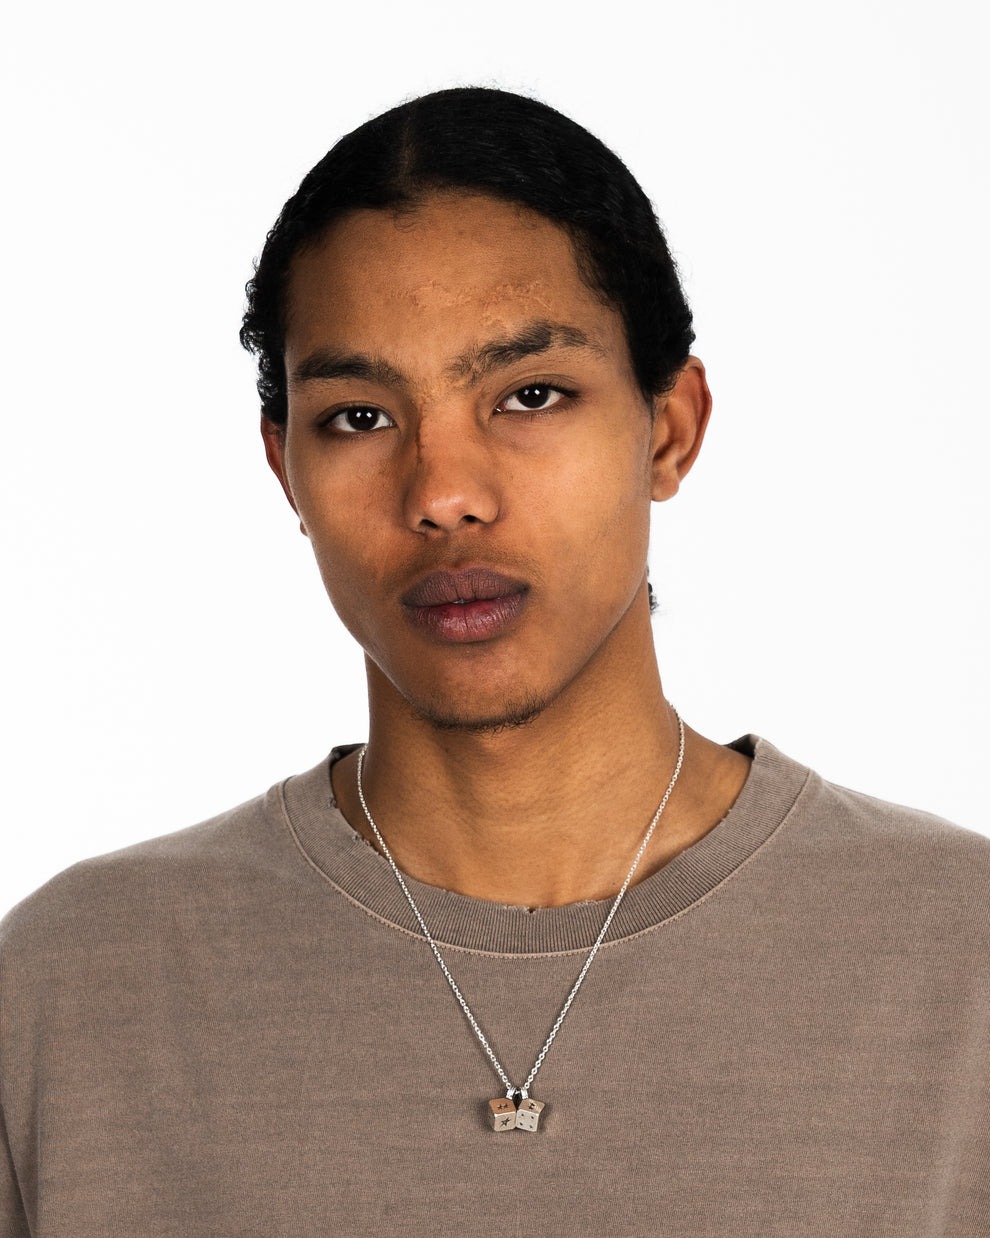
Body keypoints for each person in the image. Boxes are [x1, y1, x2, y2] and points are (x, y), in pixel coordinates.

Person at [1, 86, 987, 1237]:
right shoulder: (72, 991)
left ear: (669, 428)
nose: (444, 493)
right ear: (285, 469)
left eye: (530, 395)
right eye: (359, 416)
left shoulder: (959, 960)